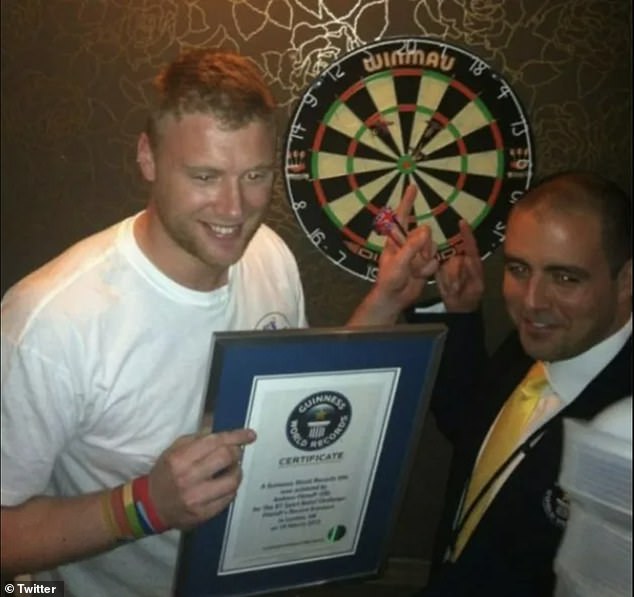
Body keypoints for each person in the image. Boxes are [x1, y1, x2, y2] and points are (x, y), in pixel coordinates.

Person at [0, 49, 436, 596]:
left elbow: (291, 411)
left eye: (254, 175)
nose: (234, 209)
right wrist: (145, 506)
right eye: (205, 175)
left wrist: (383, 304)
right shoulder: (48, 324)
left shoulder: (269, 254)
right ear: (148, 158)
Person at [408, 171, 632, 596]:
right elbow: (474, 430)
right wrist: (458, 313)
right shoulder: (542, 339)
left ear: (626, 281)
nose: (532, 301)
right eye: (518, 269)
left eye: (565, 278)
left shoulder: (624, 427)